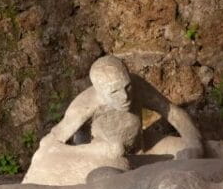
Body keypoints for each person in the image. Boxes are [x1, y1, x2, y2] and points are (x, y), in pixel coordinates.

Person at [40, 55, 204, 160]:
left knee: (195, 150)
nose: (125, 97)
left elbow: (173, 113)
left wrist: (195, 145)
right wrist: (95, 152)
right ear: (100, 91)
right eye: (114, 92)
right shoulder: (84, 106)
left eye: (127, 87)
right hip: (106, 160)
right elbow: (49, 145)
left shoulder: (137, 85)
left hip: (143, 148)